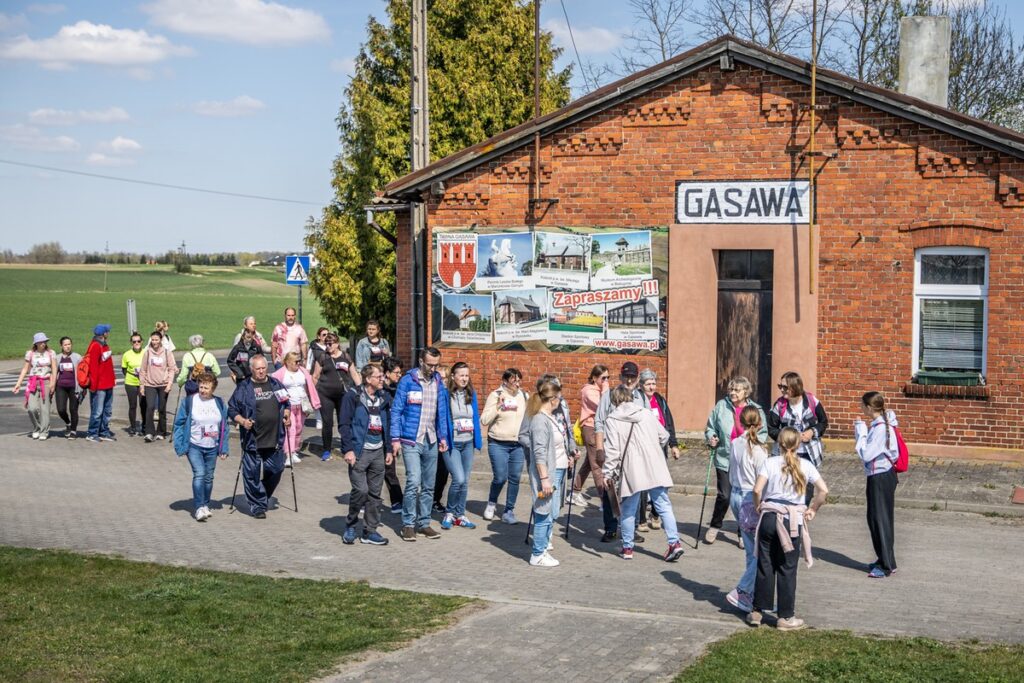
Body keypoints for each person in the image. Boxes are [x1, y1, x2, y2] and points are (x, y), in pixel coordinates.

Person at [749, 426, 828, 631]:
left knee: (765, 563)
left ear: (779, 444)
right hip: (791, 519)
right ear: (798, 444)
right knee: (787, 566)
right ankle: (785, 616)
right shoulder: (806, 465)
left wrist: (759, 506)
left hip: (769, 515)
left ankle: (758, 611)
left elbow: (757, 489)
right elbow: (823, 490)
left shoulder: (770, 462)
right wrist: (813, 509)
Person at [599, 384, 685, 562]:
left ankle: (628, 548)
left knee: (629, 509)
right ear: (630, 397)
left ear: (614, 401)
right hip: (655, 464)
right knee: (664, 505)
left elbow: (613, 451)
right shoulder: (646, 413)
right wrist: (652, 447)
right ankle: (674, 543)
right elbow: (664, 435)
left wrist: (607, 473)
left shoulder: (613, 419)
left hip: (632, 467)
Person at [390, 346, 450, 541]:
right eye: (430, 364)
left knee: (429, 485)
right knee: (413, 480)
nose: (433, 368)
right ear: (421, 362)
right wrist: (395, 439)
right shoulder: (408, 381)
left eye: (436, 365)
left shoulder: (438, 382)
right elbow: (397, 410)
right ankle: (408, 524)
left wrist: (443, 438)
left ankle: (424, 523)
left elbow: (441, 413)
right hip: (411, 439)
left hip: (431, 439)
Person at [704, 376, 768, 545]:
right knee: (725, 495)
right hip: (725, 458)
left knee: (745, 497)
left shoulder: (756, 409)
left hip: (746, 461)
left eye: (736, 390)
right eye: (731, 389)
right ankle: (715, 525)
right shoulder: (721, 406)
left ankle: (743, 530)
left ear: (746, 392)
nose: (732, 393)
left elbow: (762, 432)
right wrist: (712, 437)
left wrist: (753, 445)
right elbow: (711, 427)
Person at [227, 355, 290, 519]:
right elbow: (232, 410)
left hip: (274, 438)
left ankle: (259, 494)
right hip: (253, 440)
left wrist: (287, 415)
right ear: (251, 369)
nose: (261, 371)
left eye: (263, 368)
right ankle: (257, 506)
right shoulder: (244, 387)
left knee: (277, 468)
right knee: (252, 474)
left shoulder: (276, 384)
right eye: (258, 369)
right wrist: (242, 421)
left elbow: (286, 403)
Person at [338, 364, 393, 546]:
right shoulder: (352, 396)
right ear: (368, 379)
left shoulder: (384, 397)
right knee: (361, 491)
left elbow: (388, 423)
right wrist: (348, 449)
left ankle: (370, 531)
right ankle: (351, 525)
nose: (382, 379)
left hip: (378, 451)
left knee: (375, 494)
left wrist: (389, 449)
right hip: (359, 451)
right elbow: (344, 424)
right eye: (378, 377)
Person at [593, 361, 647, 543]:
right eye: (626, 376)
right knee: (610, 488)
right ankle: (611, 528)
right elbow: (599, 422)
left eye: (632, 377)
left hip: (634, 452)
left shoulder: (641, 397)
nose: (629, 380)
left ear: (638, 378)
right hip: (612, 449)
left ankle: (630, 528)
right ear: (620, 376)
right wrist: (599, 448)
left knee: (634, 488)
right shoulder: (608, 396)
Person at [725, 406, 769, 614]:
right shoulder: (759, 450)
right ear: (759, 424)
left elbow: (731, 469)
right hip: (750, 497)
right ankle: (742, 589)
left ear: (741, 422)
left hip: (735, 494)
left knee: (751, 549)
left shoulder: (735, 443)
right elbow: (762, 481)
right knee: (760, 552)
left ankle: (750, 594)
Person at [854, 391, 900, 579]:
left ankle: (886, 565)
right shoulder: (881, 424)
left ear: (870, 407)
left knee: (879, 520)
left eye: (862, 405)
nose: (861, 407)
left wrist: (860, 432)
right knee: (877, 519)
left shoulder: (880, 428)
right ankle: (886, 559)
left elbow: (866, 454)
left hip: (881, 477)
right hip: (880, 475)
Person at [173, 371, 229, 522]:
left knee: (209, 477)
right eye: (201, 387)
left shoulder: (219, 402)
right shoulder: (190, 401)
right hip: (194, 445)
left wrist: (223, 448)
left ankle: (205, 504)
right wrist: (179, 445)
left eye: (207, 388)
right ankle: (198, 507)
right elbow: (179, 424)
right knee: (200, 473)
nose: (203, 390)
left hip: (212, 446)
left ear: (213, 388)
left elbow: (224, 426)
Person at [768, 371, 829, 504]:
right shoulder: (779, 405)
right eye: (780, 386)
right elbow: (771, 429)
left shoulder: (812, 401)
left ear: (795, 387)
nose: (781, 390)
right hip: (786, 452)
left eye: (785, 387)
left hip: (808, 453)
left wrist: (812, 432)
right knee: (785, 486)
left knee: (806, 490)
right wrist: (788, 437)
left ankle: (801, 516)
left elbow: (823, 422)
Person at [526, 381, 568, 567]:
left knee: (548, 513)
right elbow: (539, 453)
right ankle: (537, 553)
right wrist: (544, 479)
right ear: (552, 399)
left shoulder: (547, 418)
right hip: (544, 477)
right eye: (558, 397)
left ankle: (542, 550)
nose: (560, 401)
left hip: (551, 473)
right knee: (542, 514)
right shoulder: (540, 421)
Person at [480, 368, 527, 524]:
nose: (518, 385)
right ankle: (492, 503)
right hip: (498, 443)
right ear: (505, 381)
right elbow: (485, 420)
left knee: (515, 478)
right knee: (500, 477)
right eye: (515, 381)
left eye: (519, 381)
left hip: (518, 445)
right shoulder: (496, 395)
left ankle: (509, 511)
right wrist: (497, 407)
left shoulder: (523, 396)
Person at [440, 362, 481, 530]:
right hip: (453, 443)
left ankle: (460, 515)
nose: (464, 378)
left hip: (468, 442)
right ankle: (449, 512)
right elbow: (442, 418)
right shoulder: (445, 394)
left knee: (466, 481)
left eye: (466, 375)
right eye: (461, 375)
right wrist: (442, 437)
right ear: (453, 376)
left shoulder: (471, 394)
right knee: (458, 479)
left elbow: (475, 417)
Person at [312, 333, 360, 461]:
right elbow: (315, 376)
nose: (328, 346)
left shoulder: (345, 356)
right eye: (326, 343)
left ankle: (346, 448)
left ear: (337, 343)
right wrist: (313, 394)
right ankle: (326, 450)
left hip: (343, 395)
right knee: (327, 423)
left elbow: (354, 374)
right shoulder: (323, 357)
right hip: (325, 394)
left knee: (343, 422)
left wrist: (360, 389)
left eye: (330, 343)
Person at [271, 351, 320, 465]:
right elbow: (273, 385)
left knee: (298, 429)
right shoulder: (280, 374)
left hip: (301, 405)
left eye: (299, 361)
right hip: (288, 406)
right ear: (288, 362)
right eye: (296, 361)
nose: (298, 363)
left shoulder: (303, 372)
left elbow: (310, 387)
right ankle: (288, 454)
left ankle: (295, 450)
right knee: (290, 429)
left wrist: (313, 403)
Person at [571, 364, 609, 507]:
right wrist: (606, 389)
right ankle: (604, 500)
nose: (606, 381)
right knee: (597, 464)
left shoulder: (601, 390)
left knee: (589, 462)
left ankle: (575, 492)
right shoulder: (589, 391)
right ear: (594, 378)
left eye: (608, 378)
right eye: (603, 378)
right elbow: (603, 407)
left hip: (599, 429)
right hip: (591, 428)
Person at [12, 332, 57, 439]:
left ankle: (44, 431)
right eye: (41, 342)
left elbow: (54, 368)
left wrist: (53, 383)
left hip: (46, 382)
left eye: (44, 341)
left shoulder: (51, 353)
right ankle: (37, 427)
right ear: (36, 343)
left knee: (44, 409)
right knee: (31, 408)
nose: (43, 344)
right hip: (33, 382)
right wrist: (18, 384)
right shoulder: (30, 353)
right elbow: (25, 369)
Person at [139, 329, 178, 442]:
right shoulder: (147, 353)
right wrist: (142, 385)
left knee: (161, 408)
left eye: (156, 339)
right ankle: (149, 432)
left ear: (161, 340)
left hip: (163, 384)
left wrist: (169, 384)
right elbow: (143, 370)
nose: (154, 342)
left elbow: (171, 369)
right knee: (150, 407)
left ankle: (161, 431)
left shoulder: (167, 352)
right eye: (153, 340)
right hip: (150, 384)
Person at [84, 324, 117, 443]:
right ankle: (92, 433)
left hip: (108, 383)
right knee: (97, 411)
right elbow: (93, 368)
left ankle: (104, 432)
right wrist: (93, 386)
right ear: (104, 334)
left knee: (107, 410)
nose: (109, 333)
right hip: (99, 386)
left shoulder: (104, 345)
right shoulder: (95, 346)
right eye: (107, 331)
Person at [381, 357, 404, 512]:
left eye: (400, 372)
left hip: (391, 435)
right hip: (377, 434)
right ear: (387, 373)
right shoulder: (379, 390)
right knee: (373, 470)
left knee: (390, 469)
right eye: (396, 372)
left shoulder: (398, 389)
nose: (399, 375)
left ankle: (397, 501)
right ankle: (365, 500)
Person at [53, 336, 82, 438]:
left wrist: (83, 388)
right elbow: (53, 372)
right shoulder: (57, 358)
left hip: (74, 387)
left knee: (73, 409)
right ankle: (68, 423)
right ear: (61, 346)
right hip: (60, 387)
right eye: (65, 345)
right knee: (61, 409)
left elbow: (82, 373)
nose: (67, 346)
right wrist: (52, 386)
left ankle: (73, 431)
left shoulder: (77, 357)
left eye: (69, 344)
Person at [121, 333, 146, 436]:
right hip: (130, 382)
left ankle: (144, 426)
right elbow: (124, 369)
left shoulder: (146, 353)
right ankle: (133, 427)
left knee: (143, 405)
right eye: (134, 341)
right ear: (131, 343)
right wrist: (133, 375)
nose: (136, 343)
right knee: (132, 405)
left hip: (143, 383)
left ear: (142, 342)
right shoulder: (127, 354)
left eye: (138, 341)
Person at [305, 327, 330, 430]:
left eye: (327, 335)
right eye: (323, 335)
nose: (326, 337)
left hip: (328, 376)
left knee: (327, 400)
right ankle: (319, 419)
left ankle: (326, 419)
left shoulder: (330, 347)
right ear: (318, 336)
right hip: (316, 376)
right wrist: (308, 376)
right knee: (316, 399)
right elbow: (309, 363)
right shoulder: (314, 348)